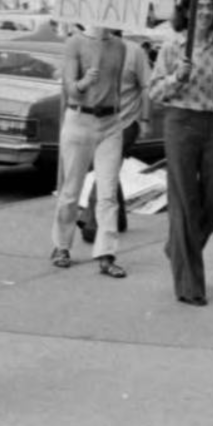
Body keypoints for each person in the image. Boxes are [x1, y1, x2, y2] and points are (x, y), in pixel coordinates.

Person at [146, 0, 213, 306]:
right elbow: (154, 92)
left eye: (210, 7)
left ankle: (178, 247)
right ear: (187, 12)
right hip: (181, 123)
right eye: (199, 7)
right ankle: (190, 285)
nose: (205, 12)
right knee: (185, 201)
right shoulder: (173, 46)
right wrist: (176, 77)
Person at [49, 26, 148, 279]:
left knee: (107, 193)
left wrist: (134, 118)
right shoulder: (75, 43)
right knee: (71, 190)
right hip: (80, 120)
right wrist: (84, 83)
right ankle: (61, 246)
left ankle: (106, 254)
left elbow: (117, 89)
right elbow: (69, 88)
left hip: (110, 123)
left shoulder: (120, 46)